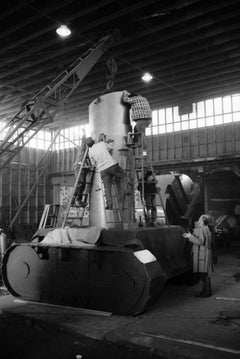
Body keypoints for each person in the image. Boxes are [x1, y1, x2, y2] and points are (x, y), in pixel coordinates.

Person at [86, 137, 125, 210]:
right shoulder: (101, 144)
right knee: (124, 177)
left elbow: (93, 164)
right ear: (94, 141)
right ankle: (125, 196)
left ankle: (110, 206)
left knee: (107, 189)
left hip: (103, 170)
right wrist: (109, 142)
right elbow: (111, 148)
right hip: (112, 165)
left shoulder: (90, 152)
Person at [183, 214, 214, 297]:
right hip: (205, 253)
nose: (198, 220)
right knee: (205, 274)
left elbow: (200, 241)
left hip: (202, 254)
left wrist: (190, 236)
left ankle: (205, 293)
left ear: (203, 221)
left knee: (203, 275)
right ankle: (208, 291)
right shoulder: (206, 228)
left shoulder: (202, 229)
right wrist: (191, 235)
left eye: (200, 219)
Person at [73, 130, 91, 207]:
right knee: (80, 184)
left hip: (81, 167)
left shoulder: (87, 152)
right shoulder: (83, 148)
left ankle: (78, 200)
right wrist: (84, 133)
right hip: (78, 167)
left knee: (82, 184)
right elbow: (83, 142)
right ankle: (75, 200)